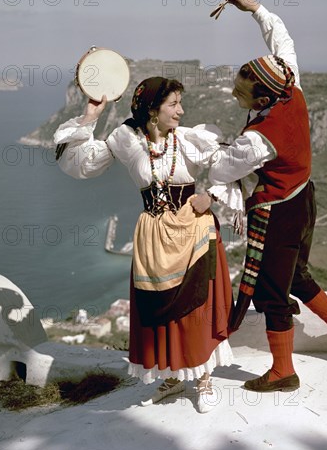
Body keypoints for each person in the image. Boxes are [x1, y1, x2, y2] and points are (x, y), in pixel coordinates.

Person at [204, 0, 327, 393]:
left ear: (262, 96)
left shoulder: (261, 139)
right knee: (296, 276)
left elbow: (222, 168)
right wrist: (254, 8)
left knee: (270, 293)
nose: (235, 97)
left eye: (241, 94)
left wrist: (209, 143)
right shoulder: (290, 84)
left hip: (278, 212)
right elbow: (282, 40)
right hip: (304, 199)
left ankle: (282, 372)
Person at [53, 77, 234, 413]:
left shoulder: (191, 140)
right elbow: (81, 163)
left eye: (181, 102)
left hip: (193, 232)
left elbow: (236, 164)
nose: (181, 110)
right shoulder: (125, 138)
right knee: (159, 311)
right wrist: (90, 114)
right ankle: (175, 375)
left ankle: (204, 378)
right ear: (152, 109)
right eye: (173, 104)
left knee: (196, 309)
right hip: (154, 238)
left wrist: (211, 196)